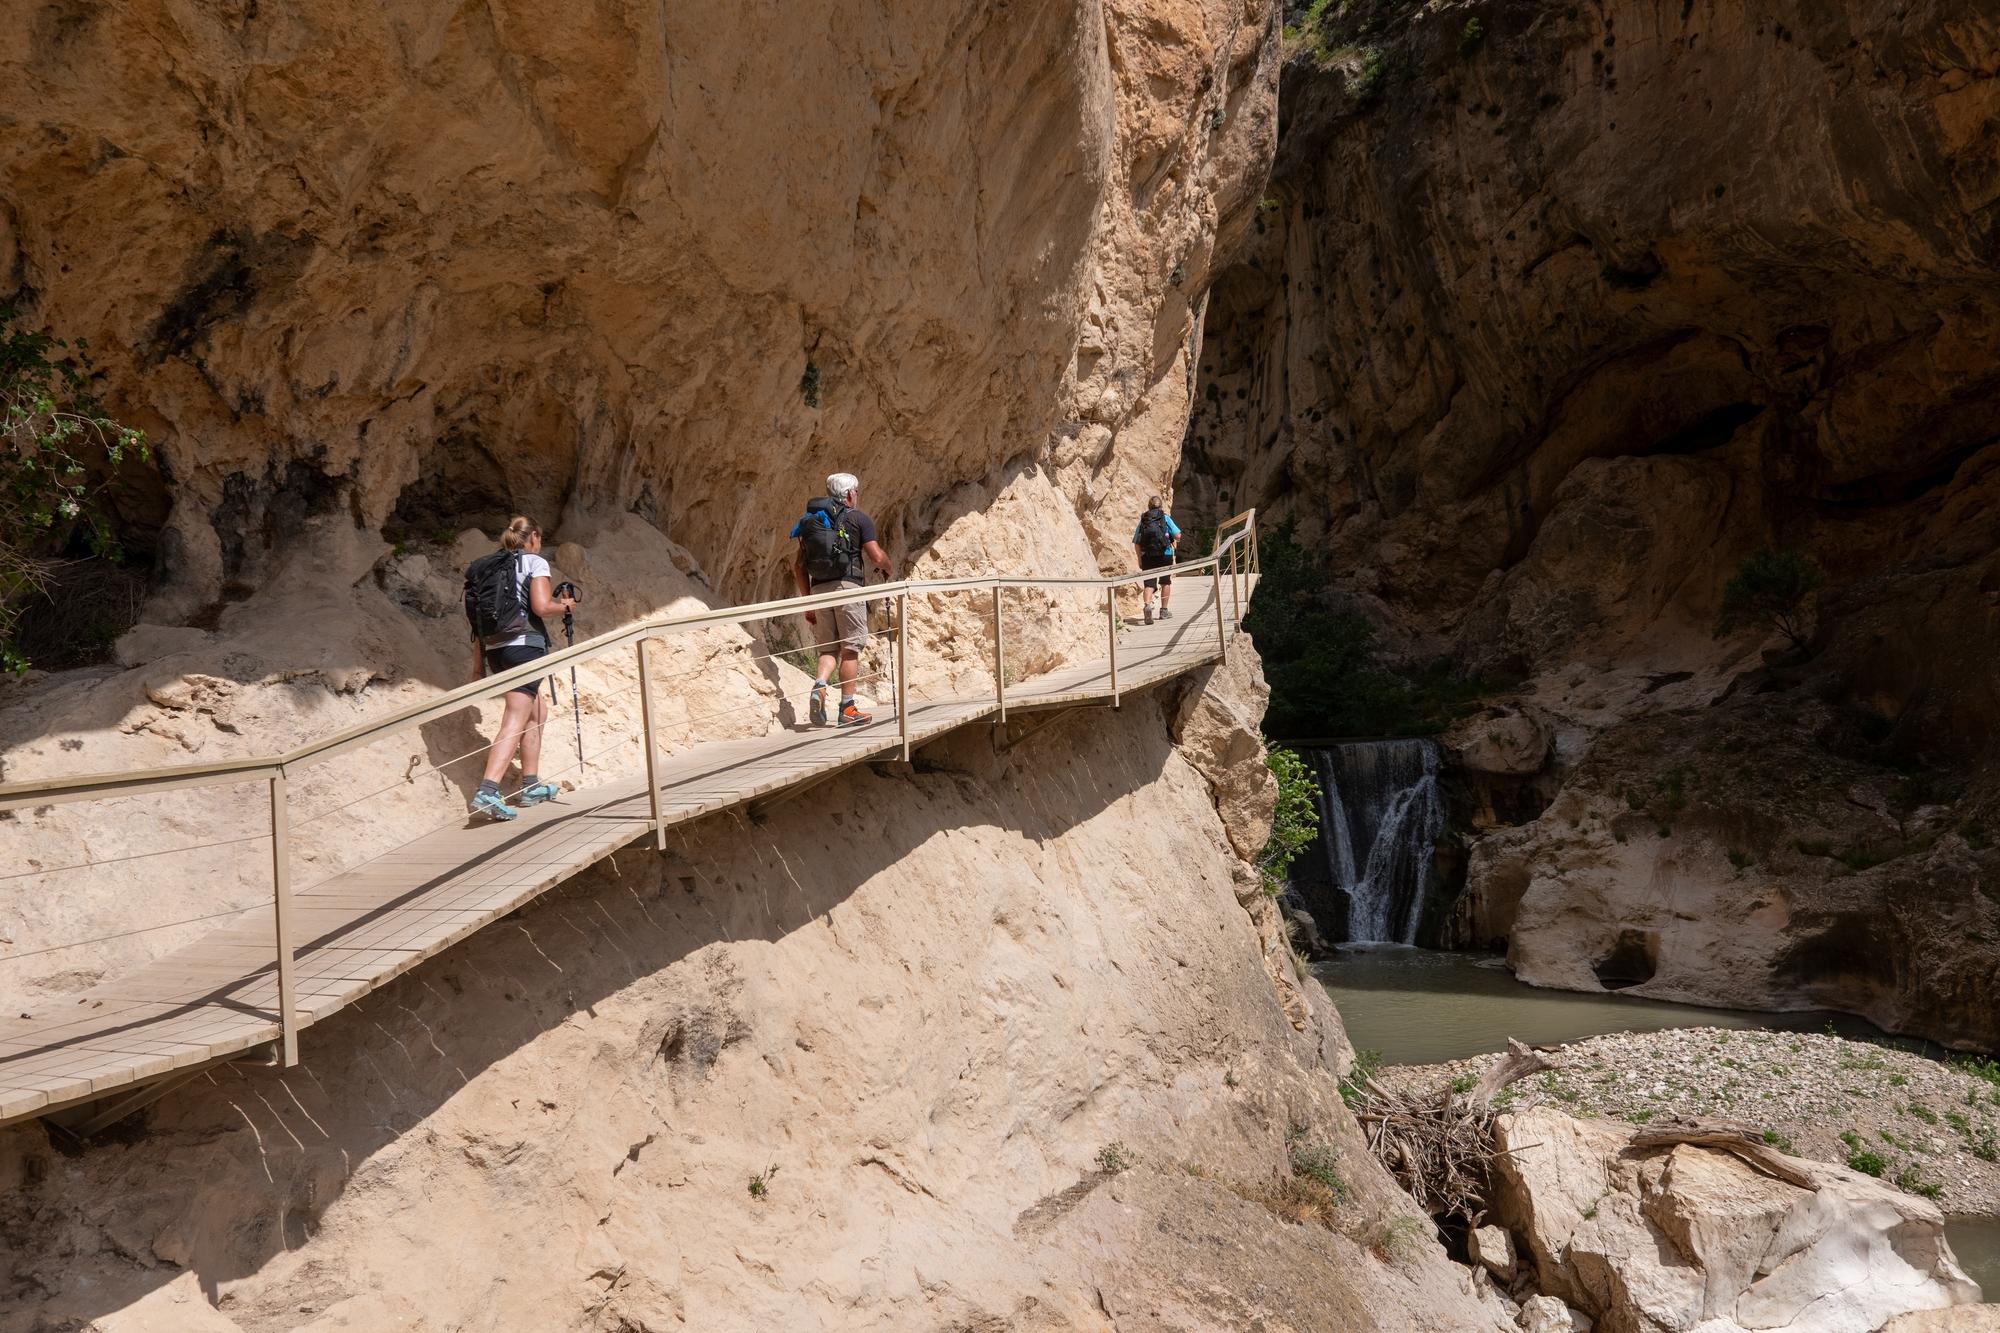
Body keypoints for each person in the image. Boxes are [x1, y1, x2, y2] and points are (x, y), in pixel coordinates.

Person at [463, 516, 578, 821]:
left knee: (536, 711)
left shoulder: (490, 567)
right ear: (534, 537)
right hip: (525, 647)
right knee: (516, 716)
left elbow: (478, 623)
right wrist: (565, 606)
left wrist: (478, 668)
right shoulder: (534, 563)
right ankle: (487, 791)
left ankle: (530, 784)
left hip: (496, 651)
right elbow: (541, 607)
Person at [791, 472, 894, 727]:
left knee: (828, 649)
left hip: (819, 590)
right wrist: (889, 568)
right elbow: (876, 556)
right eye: (856, 491)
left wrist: (809, 602)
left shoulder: (813, 522)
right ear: (849, 494)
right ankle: (847, 708)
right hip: (848, 588)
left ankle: (820, 686)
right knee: (850, 649)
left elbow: (798, 567)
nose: (856, 495)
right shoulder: (858, 518)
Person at [1132, 495, 1181, 625]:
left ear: (1149, 506)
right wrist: (1173, 538)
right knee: (1165, 582)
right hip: (1165, 554)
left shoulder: (1144, 520)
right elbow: (1177, 535)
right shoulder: (1165, 518)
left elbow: (1136, 542)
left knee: (1149, 584)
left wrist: (1139, 558)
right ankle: (1164, 611)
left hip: (1147, 555)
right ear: (1161, 506)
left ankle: (1147, 606)